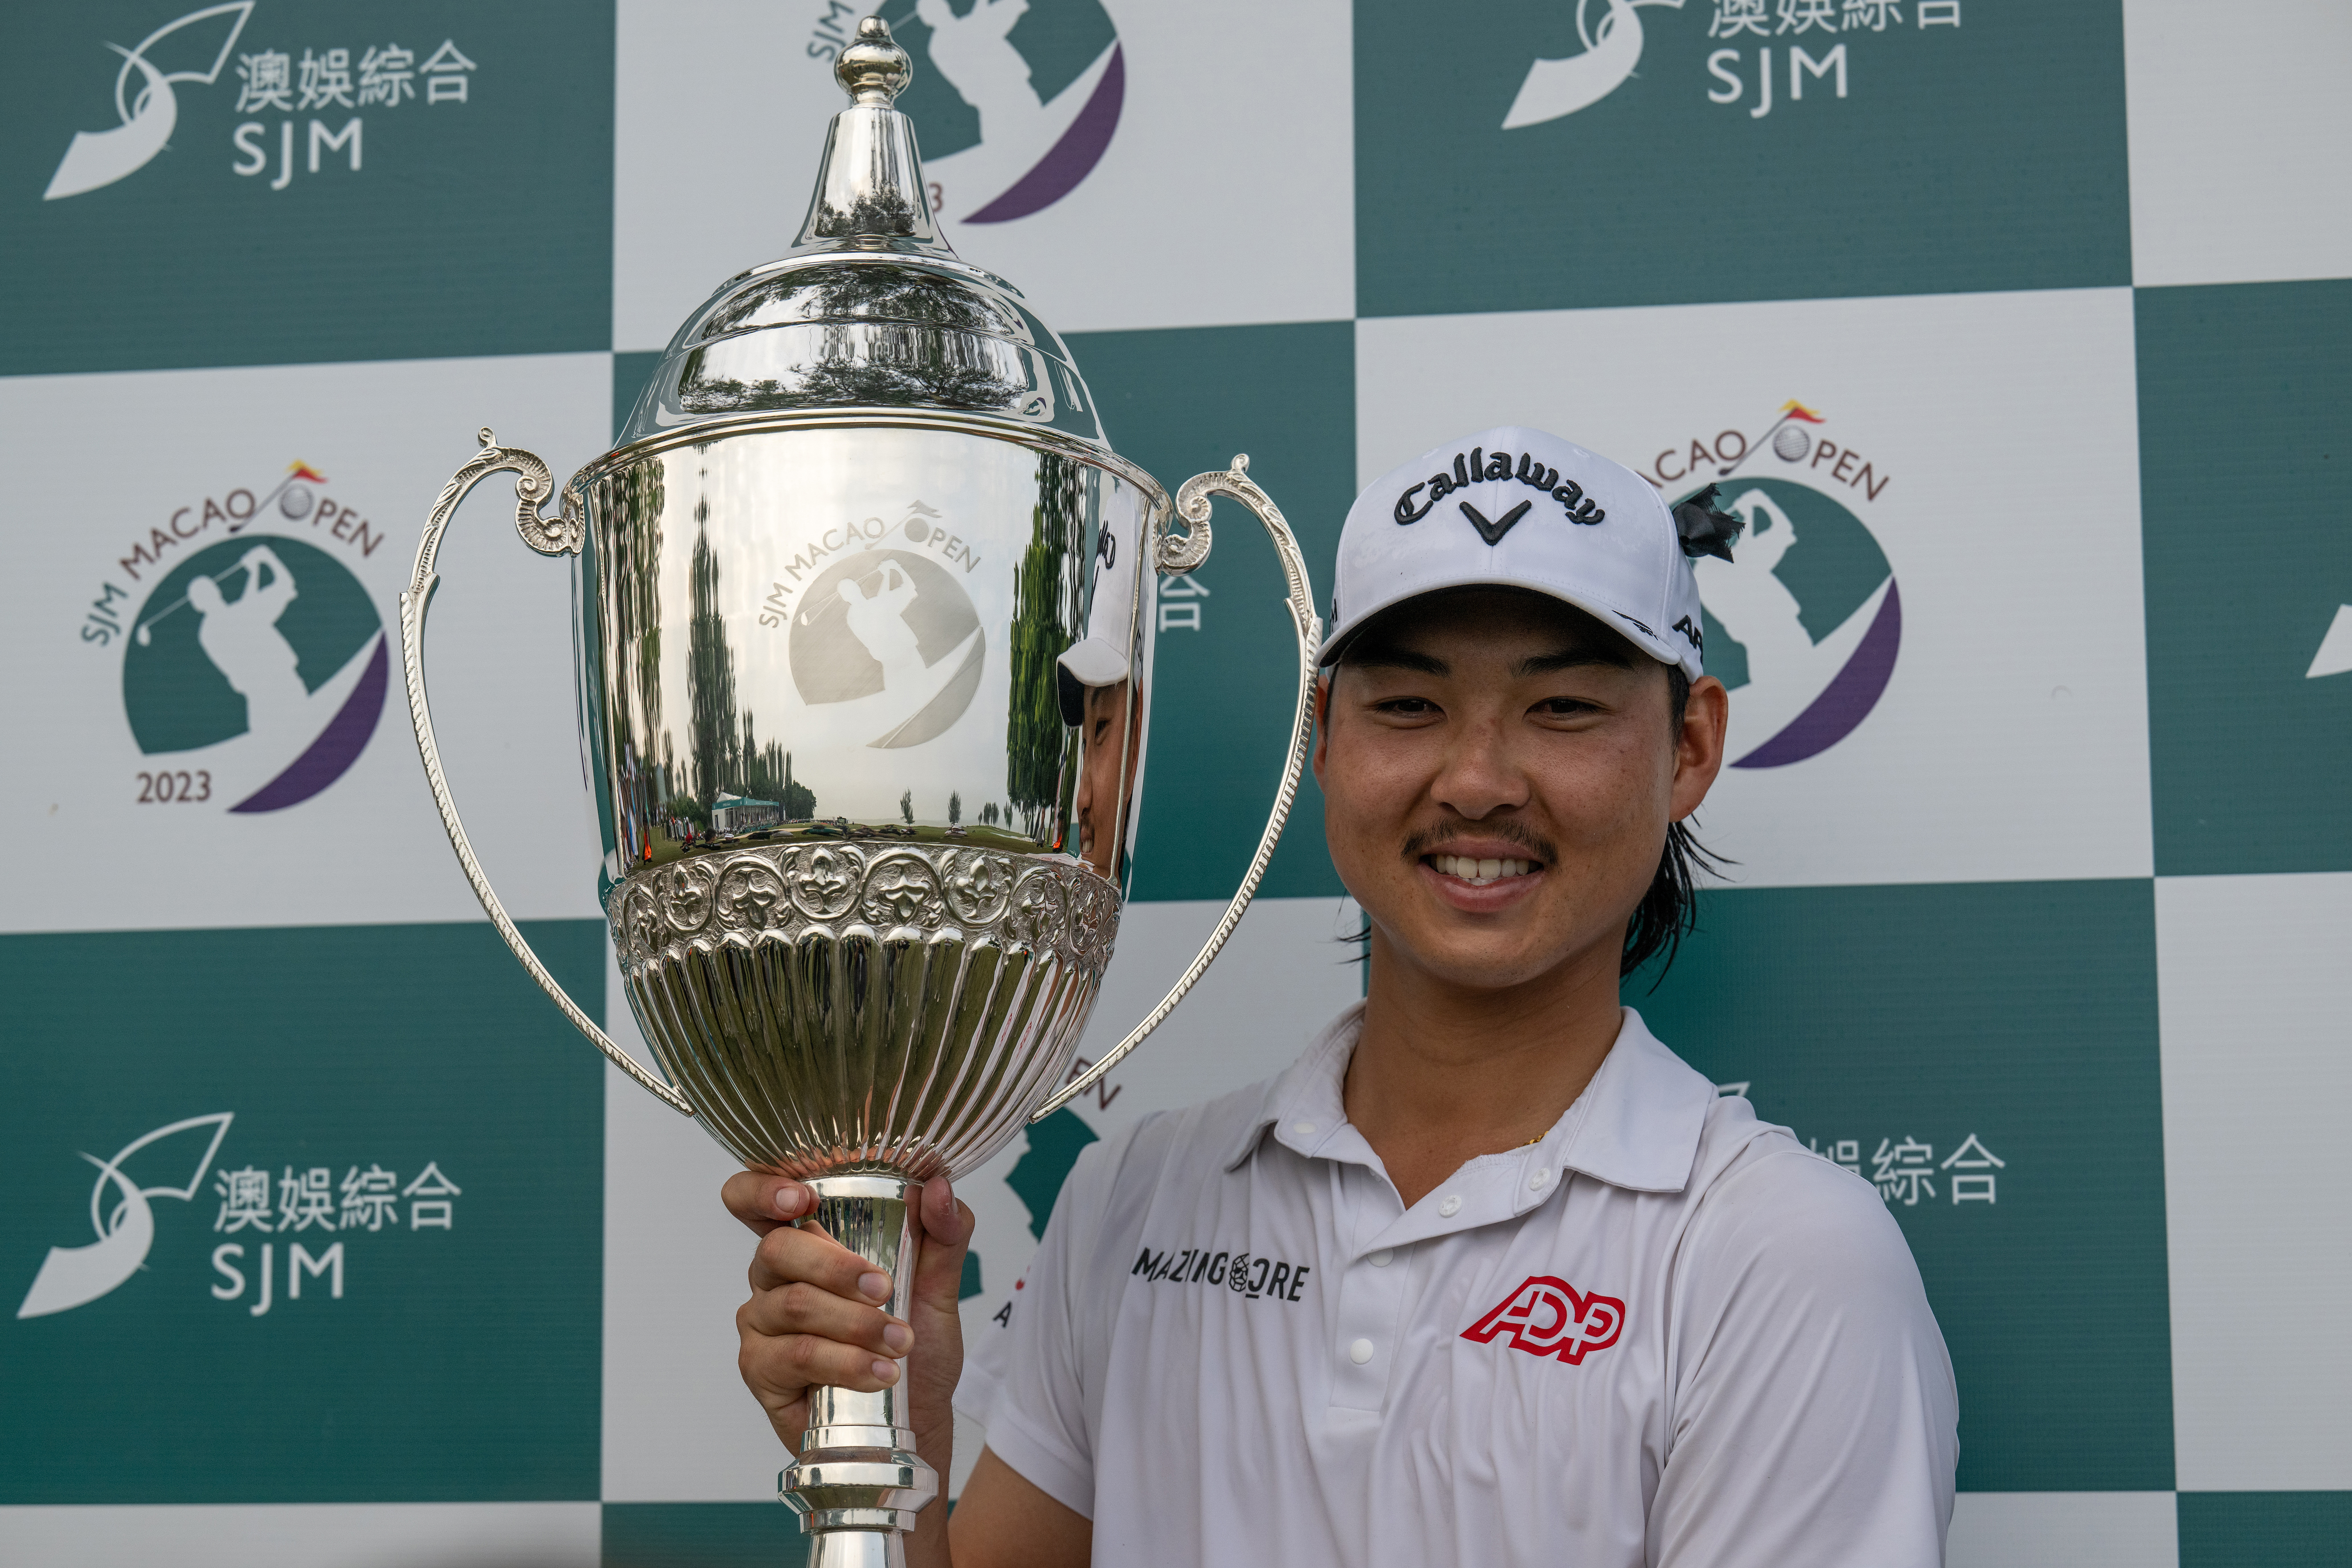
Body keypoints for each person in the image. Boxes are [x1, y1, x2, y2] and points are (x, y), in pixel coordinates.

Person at [724, 427, 1958, 1567]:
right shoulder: (1137, 1196)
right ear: (1325, 734)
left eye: (1563, 706)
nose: (1476, 780)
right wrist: (903, 1413)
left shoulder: (1782, 1257)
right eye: (1410, 704)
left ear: (1690, 744)